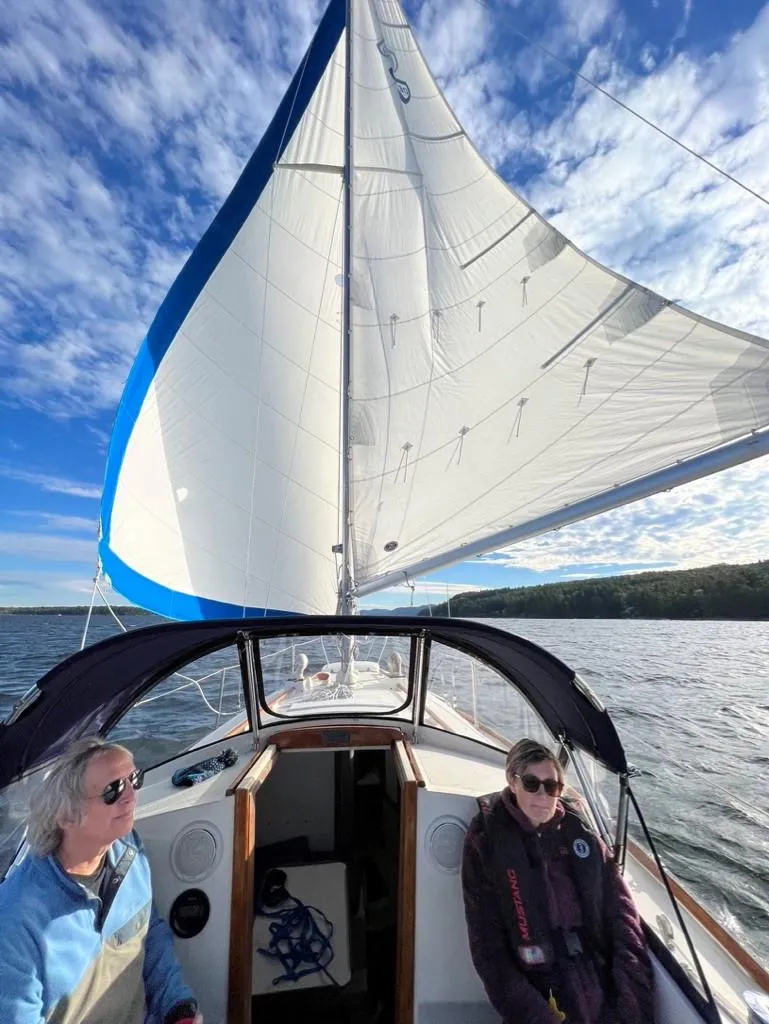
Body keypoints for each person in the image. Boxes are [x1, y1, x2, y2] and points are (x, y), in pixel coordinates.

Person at [0, 736, 203, 1024]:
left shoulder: (128, 852)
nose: (131, 795)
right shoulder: (15, 920)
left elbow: (149, 932)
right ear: (66, 816)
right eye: (113, 790)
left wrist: (177, 1006)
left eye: (133, 779)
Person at [462, 738, 653, 1024]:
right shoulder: (485, 842)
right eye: (531, 783)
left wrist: (629, 1006)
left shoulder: (582, 835)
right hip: (538, 993)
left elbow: (623, 917)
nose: (542, 795)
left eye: (551, 786)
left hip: (596, 979)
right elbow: (489, 951)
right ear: (512, 782)